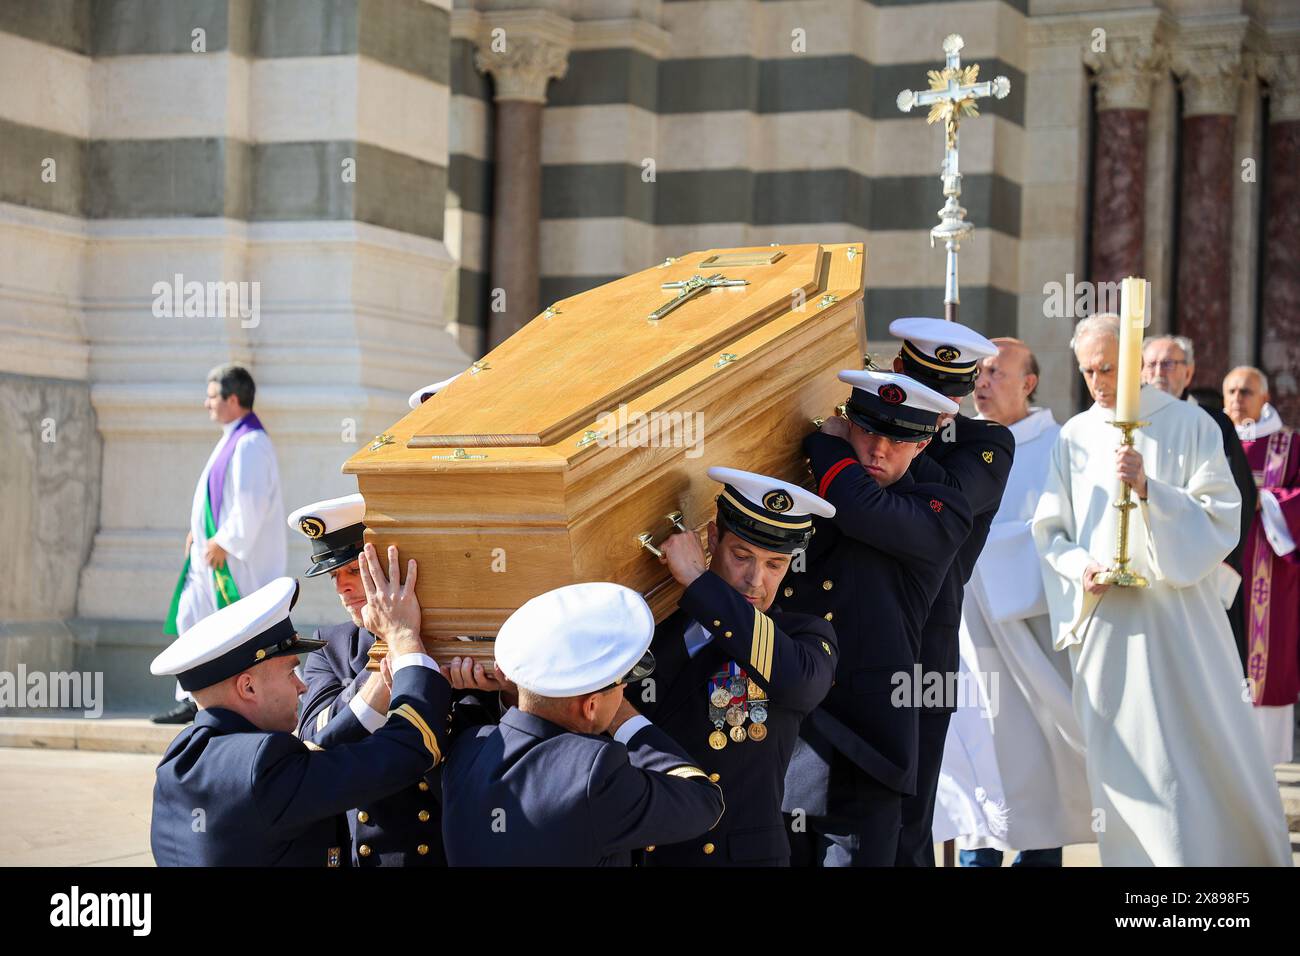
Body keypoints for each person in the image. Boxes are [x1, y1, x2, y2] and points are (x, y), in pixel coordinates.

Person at [1032, 315, 1291, 865]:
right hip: (1106, 626)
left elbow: (1223, 516)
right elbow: (1050, 530)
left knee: (1190, 753)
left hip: (1178, 626)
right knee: (1124, 766)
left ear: (1130, 364)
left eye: (1107, 368)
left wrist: (1152, 490)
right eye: (1087, 370)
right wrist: (1083, 569)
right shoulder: (1075, 436)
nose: (1098, 382)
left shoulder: (1189, 425)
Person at [150, 545, 451, 865]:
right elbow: (410, 746)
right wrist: (404, 639)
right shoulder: (263, 767)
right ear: (247, 686)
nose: (302, 684)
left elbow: (318, 755)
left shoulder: (180, 758)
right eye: (289, 672)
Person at [781, 369, 973, 866]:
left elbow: (858, 508)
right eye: (867, 431)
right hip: (788, 741)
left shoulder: (943, 510)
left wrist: (826, 444)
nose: (877, 451)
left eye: (897, 439)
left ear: (924, 443)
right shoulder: (807, 496)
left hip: (865, 753)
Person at [440, 582, 726, 865]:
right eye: (620, 685)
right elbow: (702, 802)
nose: (624, 691)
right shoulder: (593, 772)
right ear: (590, 706)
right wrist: (621, 715)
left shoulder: (466, 750)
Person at [637, 467, 838, 866]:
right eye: (741, 556)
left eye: (774, 564)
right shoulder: (651, 629)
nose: (754, 580)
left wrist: (698, 580)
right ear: (712, 539)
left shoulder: (802, 636)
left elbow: (797, 683)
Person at [942, 338, 1093, 867]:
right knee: (975, 787)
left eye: (995, 373)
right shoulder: (953, 442)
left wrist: (979, 546)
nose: (980, 383)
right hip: (963, 643)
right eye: (977, 373)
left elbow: (1069, 540)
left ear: (1029, 383)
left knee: (1038, 785)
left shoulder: (1061, 448)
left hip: (1032, 649)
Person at [886, 317, 1014, 867]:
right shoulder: (870, 423)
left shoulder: (987, 443)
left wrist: (893, 430)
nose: (936, 409)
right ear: (896, 372)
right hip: (848, 627)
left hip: (925, 645)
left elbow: (945, 503)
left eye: (946, 396)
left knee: (911, 806)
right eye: (920, 392)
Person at [290, 494, 446, 865]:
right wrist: (388, 664)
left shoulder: (450, 642)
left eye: (353, 570)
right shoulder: (331, 647)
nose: (342, 588)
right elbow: (315, 741)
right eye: (334, 576)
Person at [155, 364, 286, 724]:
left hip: (231, 563)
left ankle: (276, 702)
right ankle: (191, 697)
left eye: (212, 396)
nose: (206, 403)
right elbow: (218, 497)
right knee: (190, 618)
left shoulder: (250, 443)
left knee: (242, 636)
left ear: (233, 398)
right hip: (209, 557)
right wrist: (197, 531)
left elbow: (251, 502)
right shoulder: (232, 437)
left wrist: (226, 541)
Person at [1143, 335, 1257, 668]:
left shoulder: (1213, 423)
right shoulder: (1127, 420)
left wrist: (1218, 558)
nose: (1159, 372)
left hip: (1204, 567)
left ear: (1189, 374)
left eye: (1169, 363)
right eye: (1151, 364)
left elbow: (1239, 499)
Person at [1223, 365, 1300, 765]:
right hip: (1219, 570)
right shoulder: (1210, 440)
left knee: (1269, 666)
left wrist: (1263, 500)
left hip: (1271, 572)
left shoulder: (1288, 445)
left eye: (1247, 391)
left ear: (1265, 398)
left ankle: (1275, 767)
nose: (1238, 399)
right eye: (1231, 391)